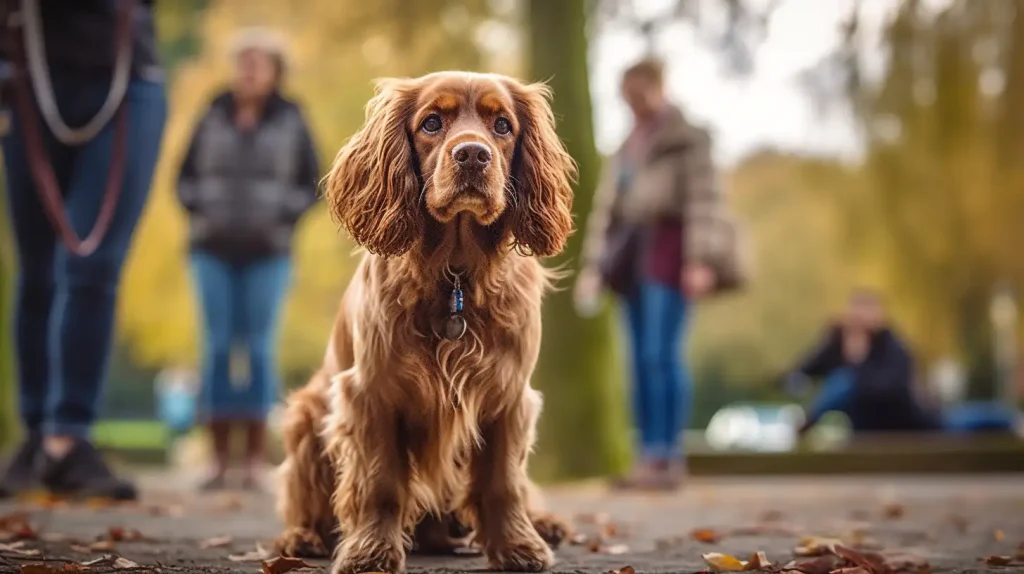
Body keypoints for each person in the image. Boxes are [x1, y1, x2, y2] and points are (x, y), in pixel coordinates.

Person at [0, 0, 166, 500]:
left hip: (123, 80)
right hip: (25, 78)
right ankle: (35, 436)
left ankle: (68, 436)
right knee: (36, 269)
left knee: (91, 264)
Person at [574, 58, 744, 490]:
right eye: (626, 97)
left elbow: (705, 200)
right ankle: (645, 455)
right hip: (631, 259)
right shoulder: (626, 145)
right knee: (636, 361)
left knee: (661, 356)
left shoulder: (689, 138)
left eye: (639, 94)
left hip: (671, 253)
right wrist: (593, 268)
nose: (633, 104)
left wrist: (700, 259)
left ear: (659, 87)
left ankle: (667, 454)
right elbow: (606, 213)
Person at [176, 28, 319, 491]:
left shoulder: (292, 119)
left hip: (268, 251)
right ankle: (218, 461)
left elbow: (311, 182)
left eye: (258, 63)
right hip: (211, 249)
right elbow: (183, 175)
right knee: (216, 347)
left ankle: (256, 461)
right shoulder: (213, 113)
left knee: (258, 349)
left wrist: (283, 217)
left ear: (275, 71)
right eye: (244, 62)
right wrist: (201, 207)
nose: (249, 70)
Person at [786, 289, 1024, 437]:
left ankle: (1010, 419)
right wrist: (789, 376)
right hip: (869, 428)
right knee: (841, 382)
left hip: (907, 419)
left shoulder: (894, 347)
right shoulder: (838, 342)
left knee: (960, 423)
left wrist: (857, 361)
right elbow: (810, 366)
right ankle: (807, 422)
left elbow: (891, 389)